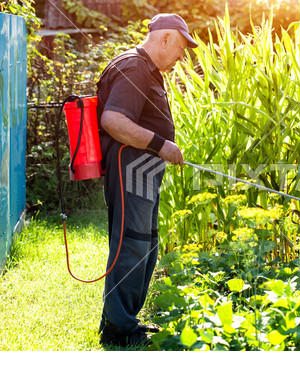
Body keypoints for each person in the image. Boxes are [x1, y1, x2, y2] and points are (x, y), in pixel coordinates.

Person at [96, 13, 198, 346]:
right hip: (133, 166)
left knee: (143, 243)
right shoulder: (136, 68)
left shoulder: (144, 68)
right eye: (182, 47)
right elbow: (113, 119)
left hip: (141, 168)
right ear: (165, 38)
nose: (182, 56)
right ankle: (119, 330)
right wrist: (161, 145)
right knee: (134, 243)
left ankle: (122, 320)